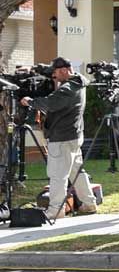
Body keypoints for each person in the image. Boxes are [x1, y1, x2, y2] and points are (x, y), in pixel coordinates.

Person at [20, 57, 98, 220]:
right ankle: (89, 203)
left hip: (62, 138)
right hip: (74, 135)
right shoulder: (79, 82)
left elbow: (50, 103)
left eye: (55, 73)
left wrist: (30, 102)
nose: (53, 76)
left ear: (64, 70)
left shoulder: (67, 88)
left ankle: (56, 210)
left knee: (57, 175)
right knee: (77, 172)